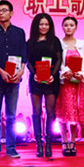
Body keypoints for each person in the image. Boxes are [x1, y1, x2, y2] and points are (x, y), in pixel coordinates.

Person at [0, 0, 27, 159]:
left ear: (11, 13)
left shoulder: (19, 32)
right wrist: (1, 71)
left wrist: (21, 71)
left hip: (14, 79)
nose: (1, 13)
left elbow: (23, 53)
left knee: (11, 116)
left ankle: (11, 148)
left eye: (4, 10)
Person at [26, 13, 62, 158]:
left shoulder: (55, 41)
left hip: (51, 80)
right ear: (36, 25)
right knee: (36, 111)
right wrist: (34, 73)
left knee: (50, 111)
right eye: (41, 24)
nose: (44, 27)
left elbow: (59, 59)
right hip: (35, 79)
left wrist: (53, 75)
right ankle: (38, 143)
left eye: (46, 24)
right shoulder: (30, 42)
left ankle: (49, 143)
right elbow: (27, 60)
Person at [55, 16, 84, 157]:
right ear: (62, 27)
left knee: (74, 113)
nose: (68, 27)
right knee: (63, 112)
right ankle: (64, 141)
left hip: (77, 83)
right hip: (64, 83)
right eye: (66, 25)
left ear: (76, 27)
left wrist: (81, 74)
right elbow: (57, 62)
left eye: (71, 25)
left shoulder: (81, 43)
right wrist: (64, 72)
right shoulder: (58, 43)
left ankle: (73, 142)